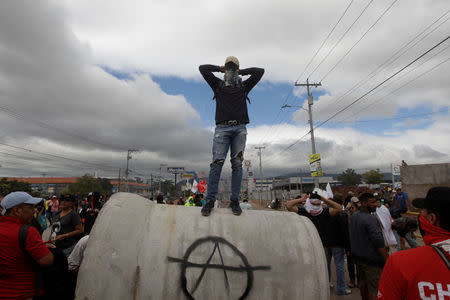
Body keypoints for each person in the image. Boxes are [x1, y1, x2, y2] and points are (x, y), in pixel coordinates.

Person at [199, 57, 264, 217]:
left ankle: (234, 201)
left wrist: (240, 71)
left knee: (237, 164)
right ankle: (209, 201)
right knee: (216, 163)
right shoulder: (218, 85)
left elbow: (259, 72)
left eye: (233, 68)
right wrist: (220, 68)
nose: (230, 70)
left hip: (240, 128)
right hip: (222, 128)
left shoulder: (244, 86)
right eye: (229, 67)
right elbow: (203, 68)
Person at [378, 186, 450, 299]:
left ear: (431, 219)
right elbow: (402, 233)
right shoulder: (396, 206)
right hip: (397, 229)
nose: (421, 216)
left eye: (423, 212)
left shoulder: (399, 262)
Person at [0, 191, 54, 299]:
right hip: (22, 294)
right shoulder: (28, 232)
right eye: (30, 207)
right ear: (17, 210)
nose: (34, 210)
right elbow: (47, 261)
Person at [349, 193, 388, 300]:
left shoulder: (354, 216)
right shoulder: (370, 219)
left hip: (358, 259)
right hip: (372, 262)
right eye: (372, 202)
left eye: (375, 201)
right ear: (364, 203)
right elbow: (378, 242)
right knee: (374, 289)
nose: (375, 204)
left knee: (363, 284)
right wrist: (387, 260)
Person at [324, 194, 351, 295]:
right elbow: (345, 232)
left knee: (326, 265)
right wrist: (348, 247)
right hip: (338, 244)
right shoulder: (342, 214)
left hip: (327, 243)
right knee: (339, 265)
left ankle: (327, 283)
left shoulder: (325, 212)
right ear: (342, 202)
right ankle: (341, 289)